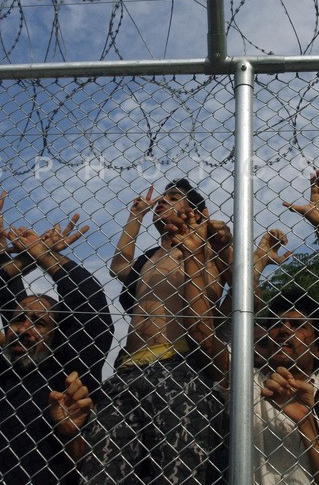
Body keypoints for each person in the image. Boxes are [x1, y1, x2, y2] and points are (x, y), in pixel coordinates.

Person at [183, 170, 319, 485]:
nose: (283, 330)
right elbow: (202, 335)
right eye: (276, 325)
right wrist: (192, 255)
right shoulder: (247, 382)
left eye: (297, 326)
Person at [0, 199, 112, 485]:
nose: (24, 329)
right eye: (18, 319)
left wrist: (45, 256)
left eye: (39, 323)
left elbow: (92, 312)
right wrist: (28, 258)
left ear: (56, 336)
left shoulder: (67, 378)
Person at [80, 179, 226, 485]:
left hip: (180, 364)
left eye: (173, 198)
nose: (162, 201)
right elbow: (119, 267)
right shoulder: (150, 257)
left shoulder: (209, 250)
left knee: (176, 471)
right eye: (161, 198)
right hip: (128, 368)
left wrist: (218, 238)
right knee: (103, 469)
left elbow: (234, 282)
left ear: (198, 212)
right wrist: (136, 215)